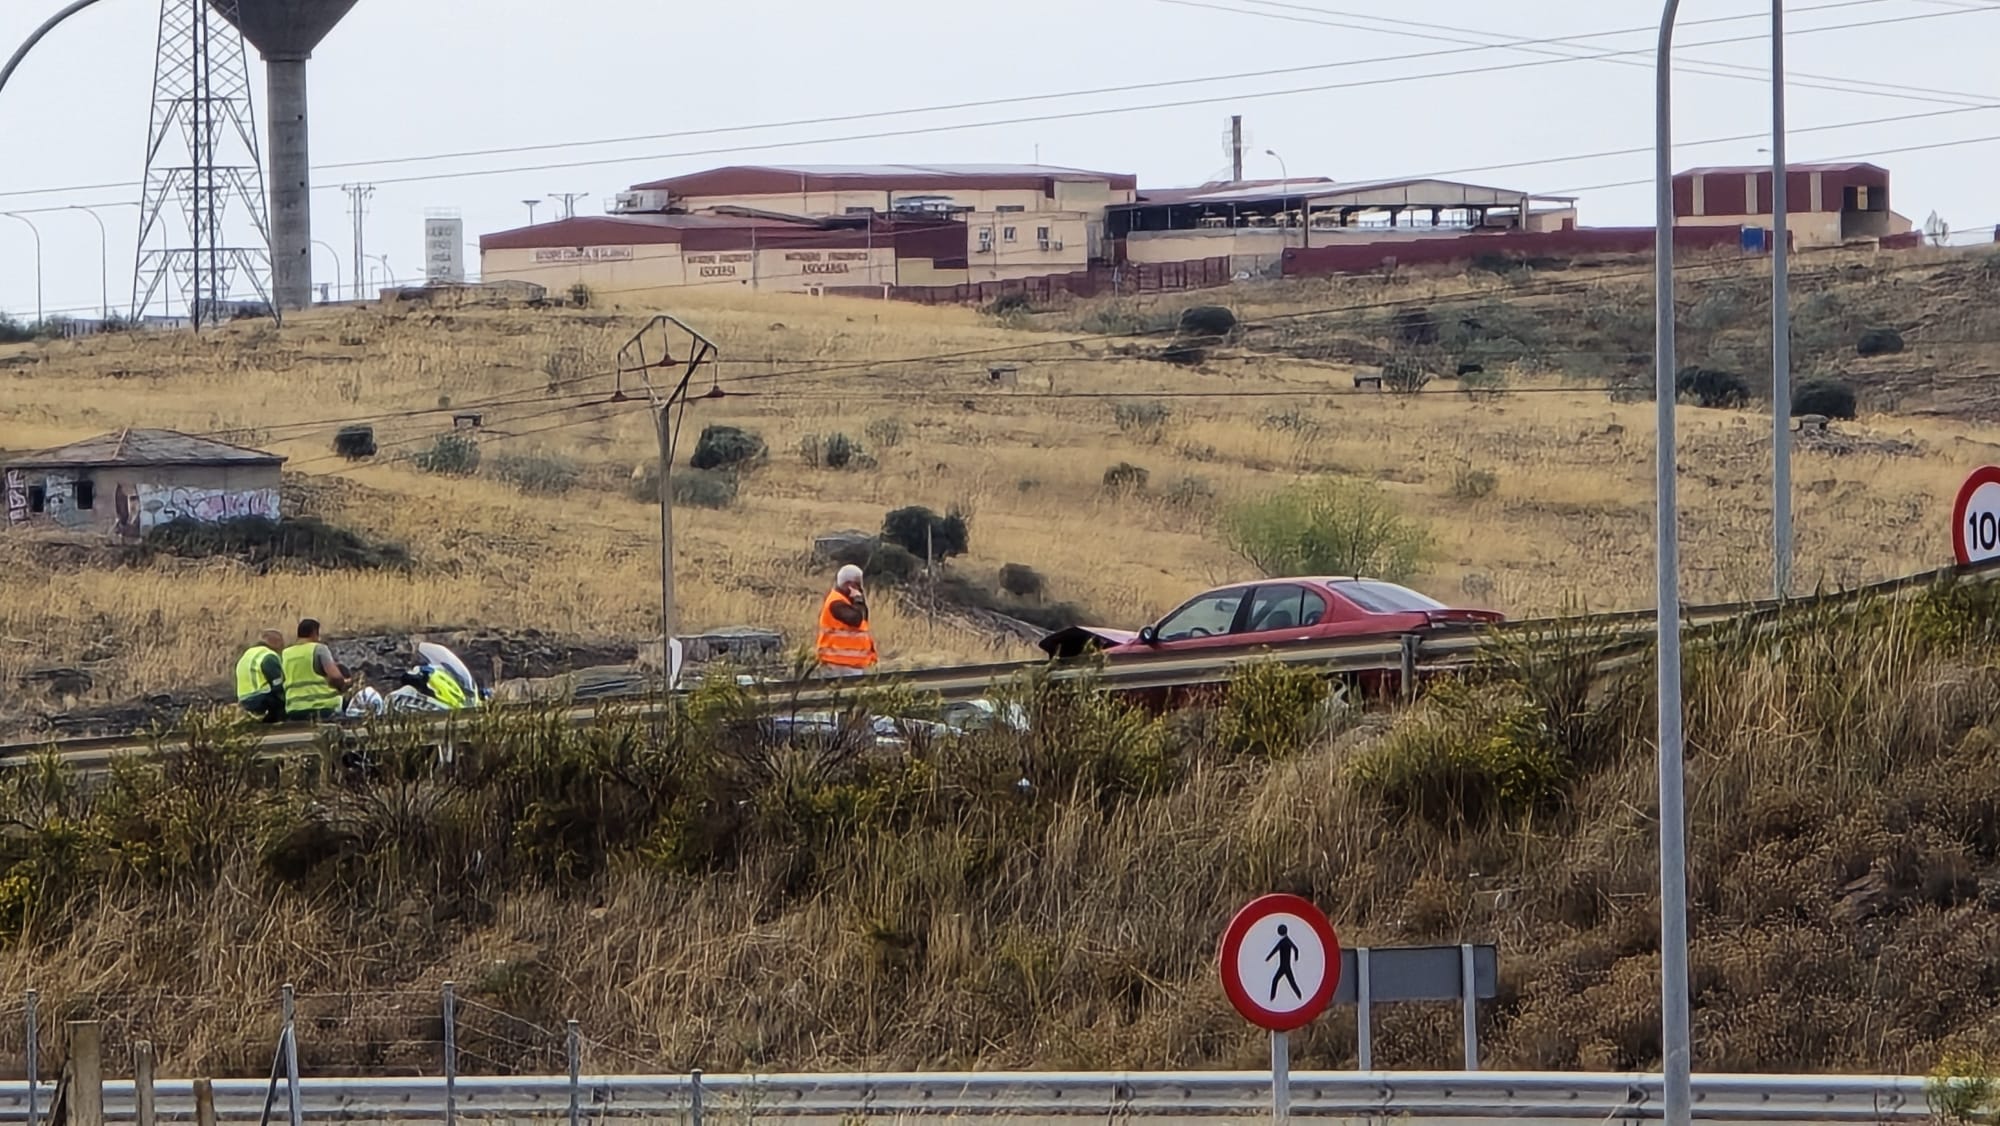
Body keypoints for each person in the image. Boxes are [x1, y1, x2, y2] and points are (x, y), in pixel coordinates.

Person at [281, 618, 351, 721]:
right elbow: (335, 677)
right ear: (314, 633)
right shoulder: (319, 649)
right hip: (322, 707)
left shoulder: (285, 653)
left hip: (294, 709)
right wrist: (344, 685)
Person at [815, 563, 878, 676]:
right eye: (857, 585)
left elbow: (864, 617)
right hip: (837, 662)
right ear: (849, 585)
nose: (860, 589)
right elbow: (856, 620)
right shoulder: (836, 602)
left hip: (847, 663)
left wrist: (859, 600)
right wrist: (857, 599)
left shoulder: (846, 601)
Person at [234, 630, 286, 723]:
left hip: (244, 699)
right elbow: (278, 685)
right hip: (261, 697)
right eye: (281, 643)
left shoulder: (248, 654)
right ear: (276, 642)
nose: (282, 647)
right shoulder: (268, 656)